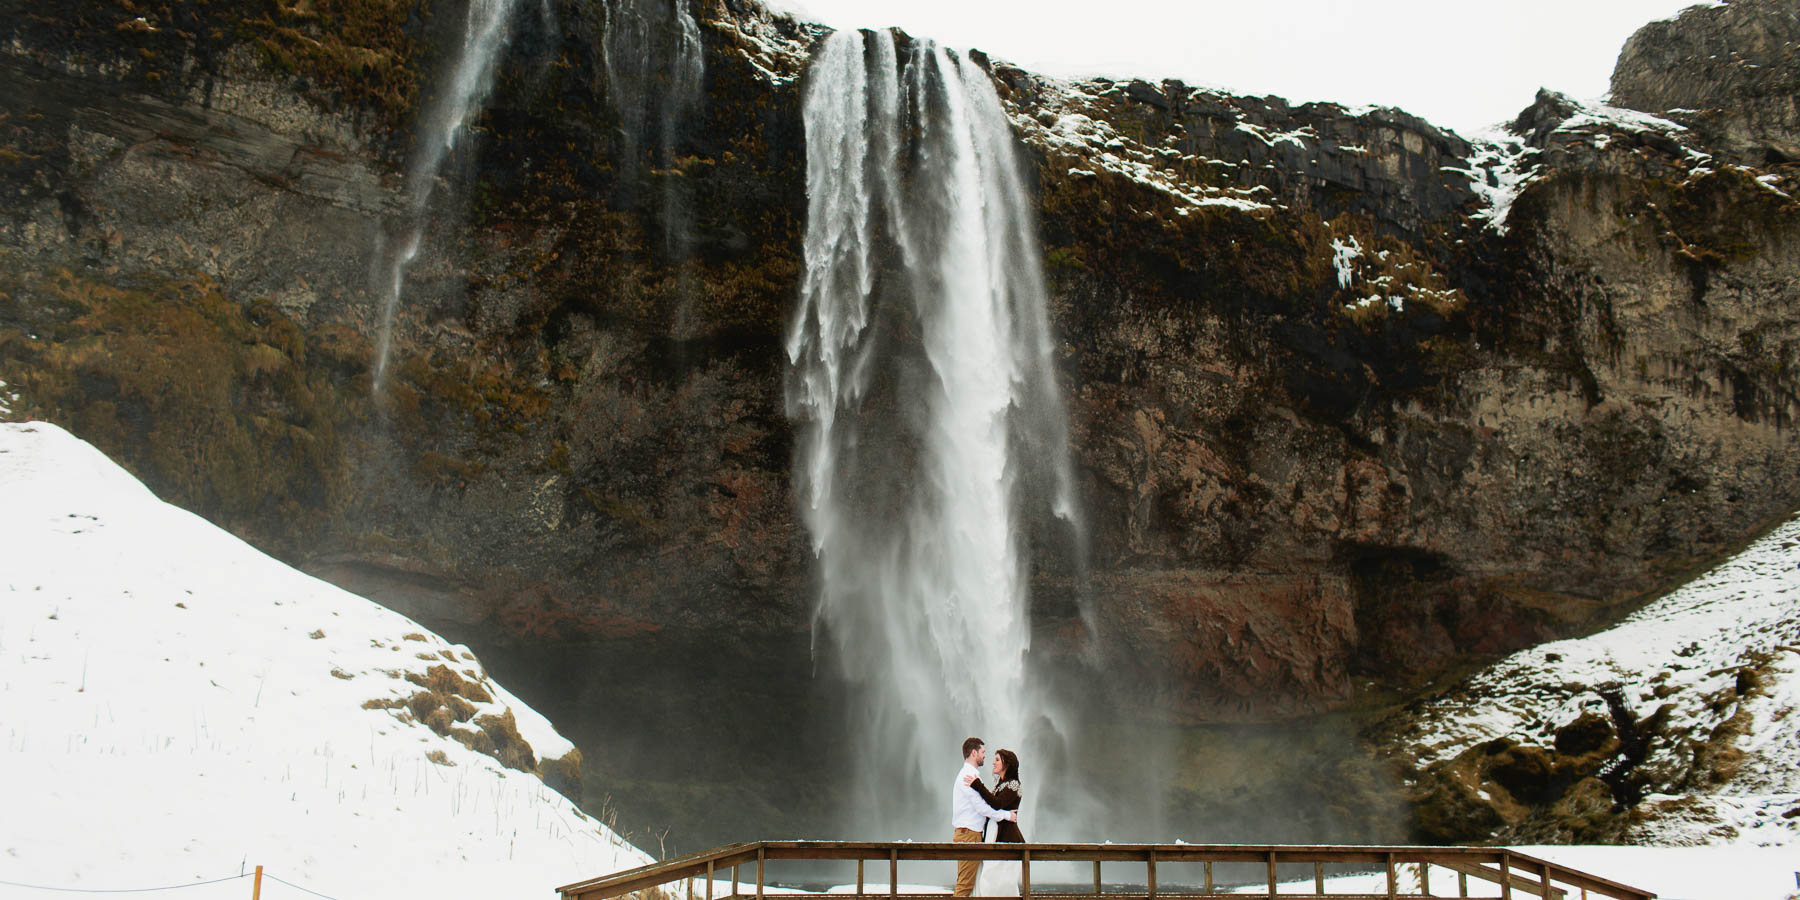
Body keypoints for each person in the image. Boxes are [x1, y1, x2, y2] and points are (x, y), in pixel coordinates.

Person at [952, 737, 1017, 897]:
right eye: (983, 752)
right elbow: (982, 807)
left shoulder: (970, 775)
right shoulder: (969, 776)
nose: (985, 756)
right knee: (965, 885)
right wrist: (1006, 815)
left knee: (970, 884)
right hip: (969, 834)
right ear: (974, 753)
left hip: (969, 834)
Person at [970, 749, 1024, 897]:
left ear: (1007, 764)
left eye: (997, 760)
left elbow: (997, 803)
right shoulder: (1001, 784)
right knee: (990, 875)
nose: (993, 762)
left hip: (1006, 836)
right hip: (994, 833)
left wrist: (978, 785)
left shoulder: (1013, 784)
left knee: (999, 879)